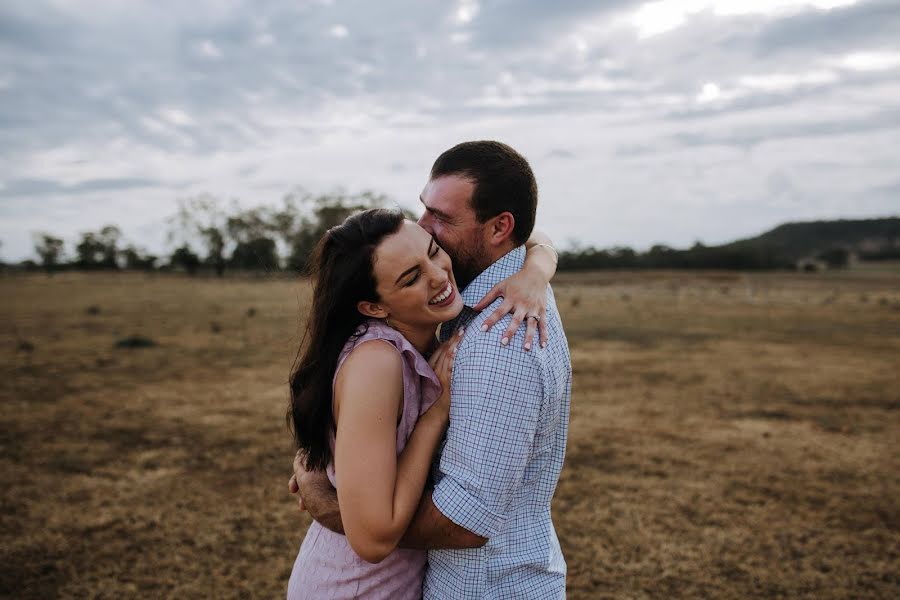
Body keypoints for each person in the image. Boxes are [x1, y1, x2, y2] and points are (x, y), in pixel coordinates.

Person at [292, 140, 572, 599]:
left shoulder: (498, 334)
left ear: (502, 228)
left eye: (440, 222)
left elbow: (463, 523)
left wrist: (325, 498)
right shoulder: (401, 347)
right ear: (372, 306)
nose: (428, 231)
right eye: (425, 212)